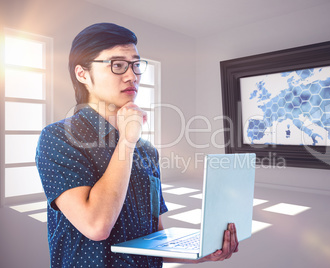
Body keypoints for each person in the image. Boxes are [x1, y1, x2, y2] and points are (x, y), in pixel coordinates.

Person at [35, 22, 239, 267]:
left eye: (135, 65)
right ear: (82, 74)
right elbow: (96, 224)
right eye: (117, 65)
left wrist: (200, 253)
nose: (132, 75)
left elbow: (153, 237)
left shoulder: (147, 150)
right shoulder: (58, 137)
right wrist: (128, 140)